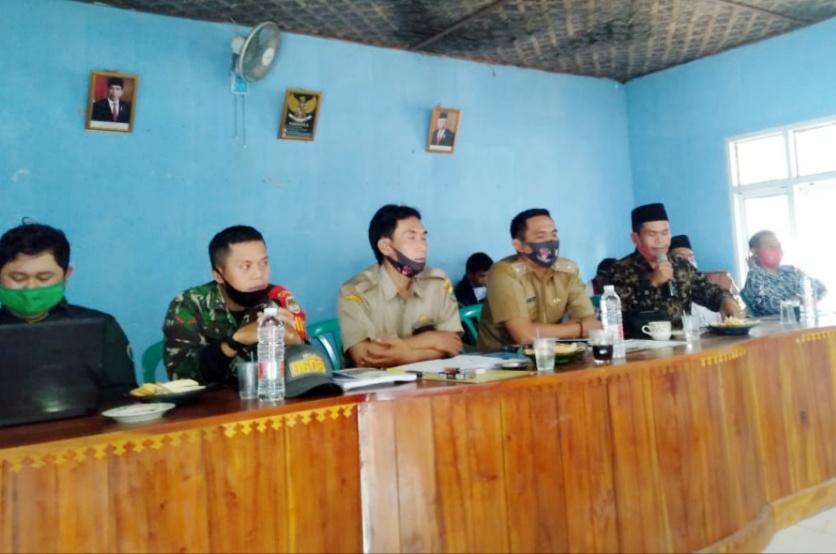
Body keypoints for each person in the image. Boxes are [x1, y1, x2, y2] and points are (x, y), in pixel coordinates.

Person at [0, 222, 136, 400]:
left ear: (66, 275)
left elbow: (123, 401)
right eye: (18, 278)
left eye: (44, 278)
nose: (31, 288)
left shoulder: (100, 328)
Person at [163, 225, 308, 385]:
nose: (258, 274)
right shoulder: (190, 305)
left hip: (269, 398)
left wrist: (297, 343)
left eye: (264, 263)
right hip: (213, 401)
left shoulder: (277, 300)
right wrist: (236, 341)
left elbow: (311, 375)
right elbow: (180, 376)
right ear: (219, 275)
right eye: (246, 266)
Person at [337, 204, 462, 368]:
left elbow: (453, 344)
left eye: (423, 238)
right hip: (377, 383)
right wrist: (432, 341)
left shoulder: (437, 283)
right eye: (411, 238)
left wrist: (407, 352)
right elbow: (364, 356)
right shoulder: (356, 291)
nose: (423, 247)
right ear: (385, 247)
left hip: (429, 380)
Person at [608, 203, 742, 337]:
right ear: (635, 238)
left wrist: (726, 301)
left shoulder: (681, 266)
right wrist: (651, 284)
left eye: (665, 233)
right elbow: (621, 319)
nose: (660, 240)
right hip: (641, 347)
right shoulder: (619, 270)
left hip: (682, 343)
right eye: (652, 234)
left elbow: (707, 290)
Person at [477, 208, 602, 351]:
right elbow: (524, 335)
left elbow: (590, 321)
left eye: (554, 234)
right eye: (541, 236)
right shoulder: (504, 272)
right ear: (519, 245)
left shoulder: (567, 270)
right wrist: (579, 328)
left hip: (553, 353)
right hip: (503, 357)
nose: (551, 241)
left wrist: (543, 331)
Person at [740, 230, 826, 317]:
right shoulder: (754, 277)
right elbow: (769, 306)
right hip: (774, 325)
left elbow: (820, 288)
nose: (777, 250)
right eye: (771, 246)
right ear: (756, 253)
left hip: (804, 321)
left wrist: (799, 299)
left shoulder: (791, 271)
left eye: (779, 246)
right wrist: (796, 301)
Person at [668, 234, 722, 326]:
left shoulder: (703, 285)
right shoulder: (668, 286)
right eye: (680, 257)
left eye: (690, 257)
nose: (687, 261)